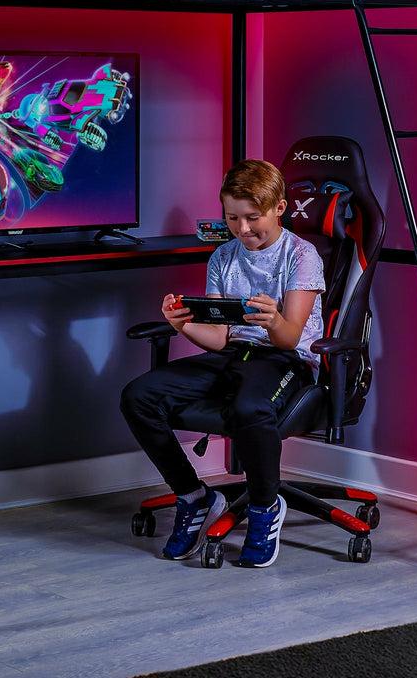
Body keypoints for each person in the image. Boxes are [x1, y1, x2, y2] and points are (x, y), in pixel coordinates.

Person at [120, 159, 325, 568]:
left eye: (252, 217)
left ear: (279, 208)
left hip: (285, 358)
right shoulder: (223, 257)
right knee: (138, 396)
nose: (242, 229)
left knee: (249, 406)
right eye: (232, 218)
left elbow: (289, 338)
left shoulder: (301, 255)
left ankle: (265, 506)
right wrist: (183, 324)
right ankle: (194, 496)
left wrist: (274, 320)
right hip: (235, 355)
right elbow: (218, 338)